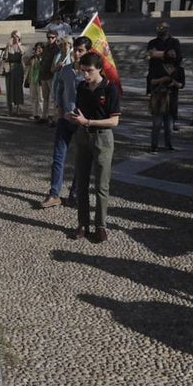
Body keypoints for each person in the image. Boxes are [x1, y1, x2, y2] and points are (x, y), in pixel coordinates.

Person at [69, 47, 121, 243]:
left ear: (99, 69)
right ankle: (83, 223)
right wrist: (74, 117)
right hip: (82, 136)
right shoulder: (82, 87)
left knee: (101, 185)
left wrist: (88, 122)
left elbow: (114, 121)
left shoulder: (110, 88)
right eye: (82, 70)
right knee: (81, 182)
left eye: (89, 70)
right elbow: (80, 111)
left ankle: (101, 226)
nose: (85, 74)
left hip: (102, 138)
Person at [37, 37, 85, 209]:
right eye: (75, 50)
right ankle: (54, 193)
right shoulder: (66, 70)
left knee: (80, 160)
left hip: (82, 122)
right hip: (65, 119)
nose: (77, 54)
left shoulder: (89, 74)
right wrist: (59, 109)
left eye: (81, 50)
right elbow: (60, 89)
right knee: (58, 157)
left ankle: (74, 194)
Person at [146, 44, 183, 153]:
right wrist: (162, 79)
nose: (172, 54)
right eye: (170, 52)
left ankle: (168, 144)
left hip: (172, 99)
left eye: (174, 53)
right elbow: (151, 81)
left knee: (169, 125)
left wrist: (174, 83)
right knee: (157, 123)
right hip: (159, 98)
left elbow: (182, 84)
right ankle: (154, 145)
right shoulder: (158, 67)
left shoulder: (180, 69)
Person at [146, 21, 183, 130]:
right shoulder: (153, 42)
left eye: (162, 28)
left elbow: (178, 56)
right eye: (158, 28)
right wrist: (167, 54)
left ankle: (172, 121)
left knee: (172, 99)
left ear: (167, 29)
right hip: (156, 72)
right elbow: (151, 54)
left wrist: (160, 54)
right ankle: (156, 121)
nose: (160, 30)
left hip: (171, 72)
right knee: (156, 97)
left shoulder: (174, 42)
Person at [37, 30, 60, 124]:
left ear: (56, 38)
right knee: (45, 97)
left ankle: (55, 117)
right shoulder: (45, 48)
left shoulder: (57, 49)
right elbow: (42, 62)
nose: (50, 39)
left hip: (52, 76)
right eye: (48, 37)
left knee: (54, 97)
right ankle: (44, 116)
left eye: (52, 37)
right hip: (43, 75)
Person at [2, 30, 25, 116]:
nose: (15, 38)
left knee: (18, 88)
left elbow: (23, 53)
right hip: (9, 67)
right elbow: (5, 57)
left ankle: (18, 108)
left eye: (17, 36)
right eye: (14, 36)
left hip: (18, 67)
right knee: (9, 88)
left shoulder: (21, 46)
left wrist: (18, 45)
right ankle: (10, 108)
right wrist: (8, 47)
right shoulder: (9, 46)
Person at [25, 41, 45, 120]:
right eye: (36, 48)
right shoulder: (32, 58)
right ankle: (35, 113)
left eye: (40, 48)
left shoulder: (43, 58)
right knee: (33, 97)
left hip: (40, 81)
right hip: (32, 79)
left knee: (41, 98)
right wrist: (32, 54)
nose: (38, 49)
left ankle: (42, 114)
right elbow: (26, 62)